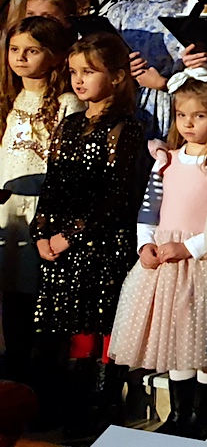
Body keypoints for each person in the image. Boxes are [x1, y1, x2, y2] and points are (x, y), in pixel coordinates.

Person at [30, 33, 148, 436]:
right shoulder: (69, 125)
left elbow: (117, 197)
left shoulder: (125, 128)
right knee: (72, 327)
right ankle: (71, 404)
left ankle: (103, 407)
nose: (78, 80)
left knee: (102, 324)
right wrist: (42, 231)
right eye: (74, 72)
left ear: (116, 76)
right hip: (63, 245)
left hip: (102, 244)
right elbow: (53, 184)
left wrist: (71, 235)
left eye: (89, 72)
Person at [109, 79, 207, 438]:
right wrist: (145, 245)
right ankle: (181, 415)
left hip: (200, 262)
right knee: (176, 339)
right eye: (181, 115)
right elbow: (149, 210)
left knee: (201, 343)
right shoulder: (166, 160)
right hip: (164, 263)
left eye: (200, 115)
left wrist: (190, 248)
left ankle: (205, 414)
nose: (188, 123)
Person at [0, 17, 81, 392]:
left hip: (44, 212)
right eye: (14, 49)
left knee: (40, 299)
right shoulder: (8, 98)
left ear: (55, 56)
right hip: (8, 210)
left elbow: (70, 165)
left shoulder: (67, 103)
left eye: (31, 50)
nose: (20, 58)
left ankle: (44, 385)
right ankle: (15, 377)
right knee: (12, 297)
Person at [105, 0, 191, 141]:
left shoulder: (189, 11)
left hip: (169, 105)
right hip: (123, 101)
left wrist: (163, 83)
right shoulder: (122, 11)